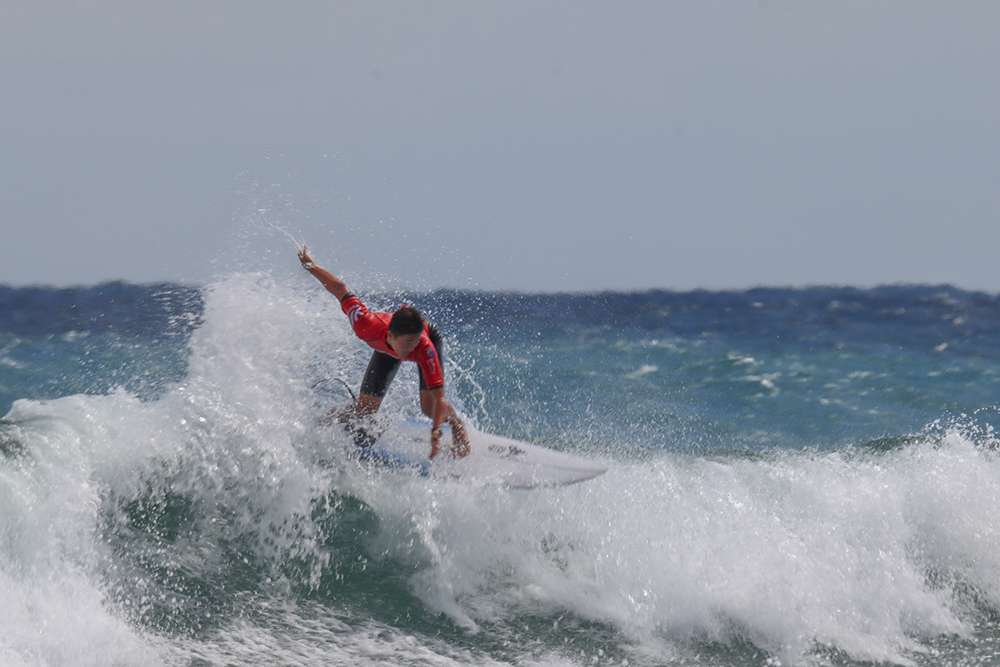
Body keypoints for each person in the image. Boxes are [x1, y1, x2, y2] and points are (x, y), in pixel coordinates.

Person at [298, 246, 470, 459]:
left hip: (426, 333)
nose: (412, 349)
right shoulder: (366, 324)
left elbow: (439, 398)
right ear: (390, 337)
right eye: (408, 344)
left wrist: (437, 430)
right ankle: (324, 418)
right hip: (387, 348)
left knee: (429, 407)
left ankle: (457, 424)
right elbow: (339, 288)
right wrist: (311, 267)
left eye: (415, 343)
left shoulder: (424, 348)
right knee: (363, 412)